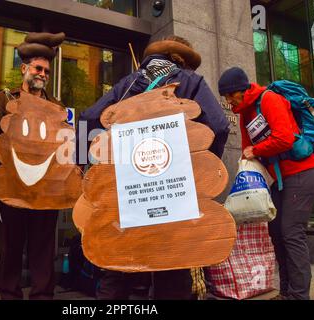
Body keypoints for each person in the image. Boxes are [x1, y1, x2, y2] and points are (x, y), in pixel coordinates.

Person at [77, 35, 230, 300]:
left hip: (130, 194)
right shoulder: (190, 81)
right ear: (181, 59)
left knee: (119, 267)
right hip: (172, 194)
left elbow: (86, 119)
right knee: (171, 267)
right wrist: (201, 173)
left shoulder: (129, 83)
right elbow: (219, 125)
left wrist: (81, 165)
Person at [218, 67, 314, 300]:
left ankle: (299, 296)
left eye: (229, 95)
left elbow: (283, 138)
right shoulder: (244, 113)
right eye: (225, 97)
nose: (227, 101)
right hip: (278, 180)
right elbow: (249, 153)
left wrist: (255, 149)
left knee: (292, 233)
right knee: (276, 233)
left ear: (241, 90)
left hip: (301, 173)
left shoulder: (269, 99)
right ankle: (286, 292)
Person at [0, 32, 65, 300]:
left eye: (47, 71)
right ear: (24, 69)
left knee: (42, 248)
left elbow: (63, 147)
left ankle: (42, 295)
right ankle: (9, 293)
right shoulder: (4, 99)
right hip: (12, 187)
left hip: (45, 191)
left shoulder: (56, 107)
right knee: (11, 246)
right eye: (38, 68)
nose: (43, 74)